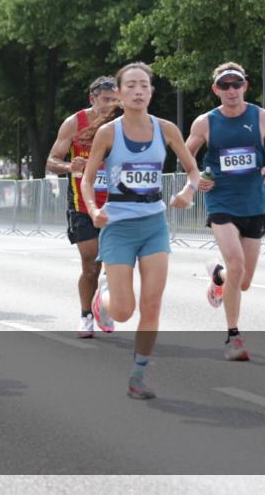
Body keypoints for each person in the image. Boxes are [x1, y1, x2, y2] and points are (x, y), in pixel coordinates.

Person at [82, 62, 200, 400]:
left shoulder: (166, 130)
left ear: (151, 91)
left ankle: (139, 374)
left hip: (153, 225)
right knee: (123, 311)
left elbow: (193, 171)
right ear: (118, 93)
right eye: (130, 85)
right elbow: (88, 180)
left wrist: (188, 192)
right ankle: (102, 300)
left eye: (143, 85)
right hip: (118, 227)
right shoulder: (109, 133)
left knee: (152, 304)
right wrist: (93, 210)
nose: (137, 91)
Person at [185, 62, 265, 361]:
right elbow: (185, 153)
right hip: (221, 202)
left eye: (237, 84)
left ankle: (217, 277)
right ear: (216, 89)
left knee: (242, 280)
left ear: (245, 86)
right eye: (225, 85)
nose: (231, 90)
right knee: (236, 264)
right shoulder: (205, 122)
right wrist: (197, 178)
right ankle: (233, 338)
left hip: (255, 202)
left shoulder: (262, 117)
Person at [46, 76, 120, 337]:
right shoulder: (75, 123)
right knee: (91, 263)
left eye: (114, 101)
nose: (109, 105)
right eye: (104, 100)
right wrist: (69, 166)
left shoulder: (123, 124)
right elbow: (51, 161)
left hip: (118, 204)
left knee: (116, 264)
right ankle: (86, 315)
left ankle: (105, 301)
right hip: (82, 205)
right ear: (92, 98)